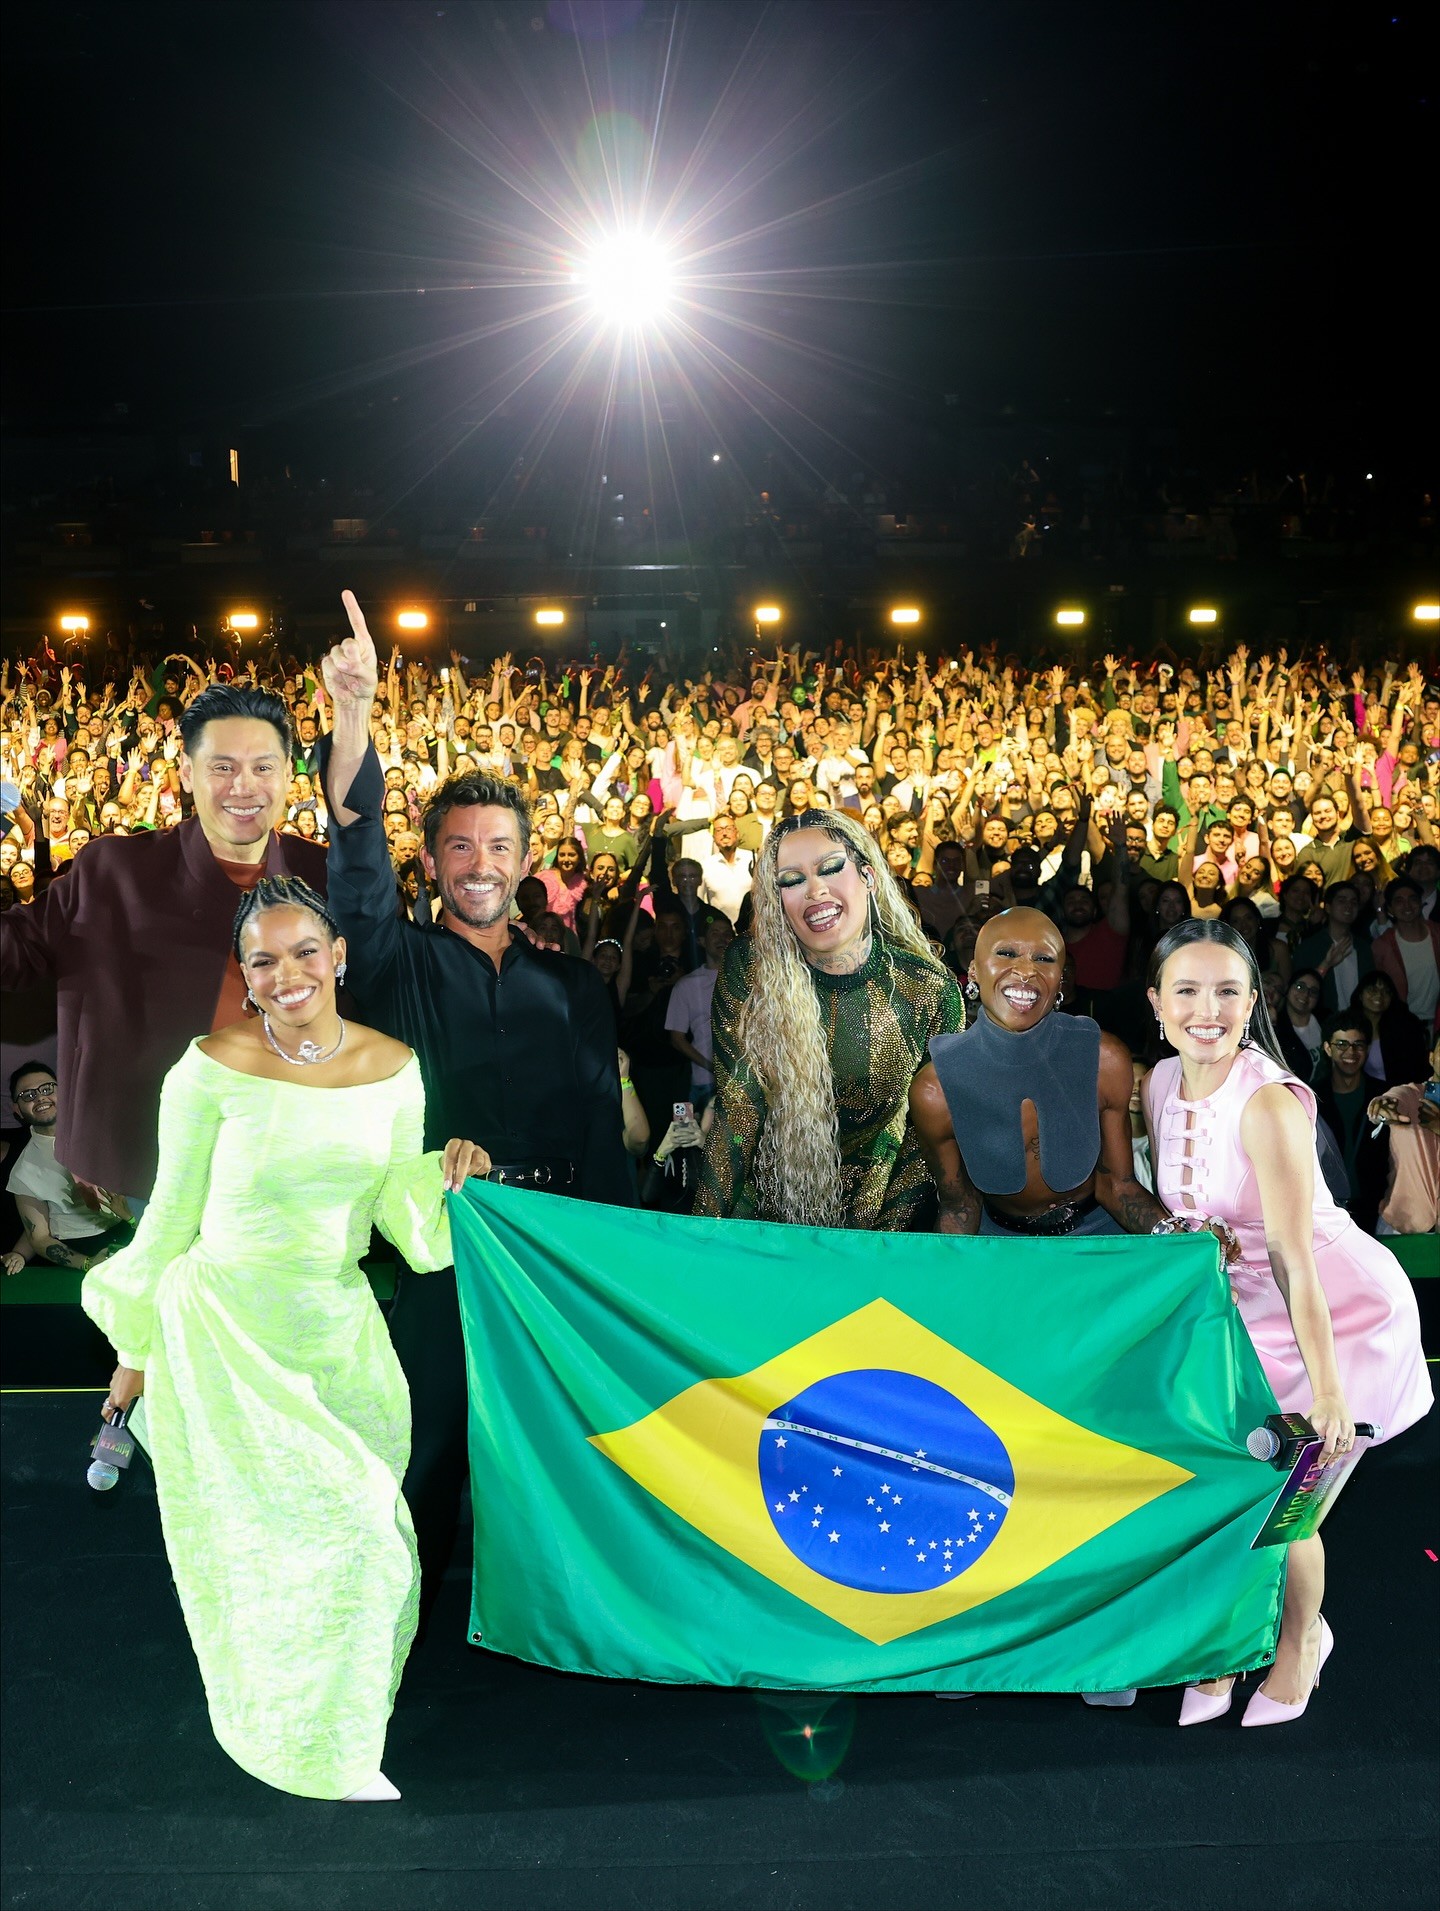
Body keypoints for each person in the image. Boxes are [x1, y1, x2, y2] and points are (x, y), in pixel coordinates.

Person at [82, 877, 492, 1800]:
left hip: (339, 1336)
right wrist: (133, 1358)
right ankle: (311, 1744)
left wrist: (445, 1169)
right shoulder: (208, 1066)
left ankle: (331, 1715)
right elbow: (171, 1220)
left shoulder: (394, 1065)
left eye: (305, 950)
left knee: (361, 1533)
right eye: (263, 960)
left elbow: (399, 1215)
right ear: (246, 976)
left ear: (339, 953)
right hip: (226, 1333)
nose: (288, 972)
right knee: (315, 1537)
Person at [320, 591, 633, 1629]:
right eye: (460, 848)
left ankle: (571, 1627)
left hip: (555, 1250)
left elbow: (602, 1134)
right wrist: (356, 719)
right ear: (433, 861)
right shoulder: (394, 960)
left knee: (557, 1444)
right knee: (433, 1447)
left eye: (500, 847)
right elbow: (355, 867)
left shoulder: (577, 986)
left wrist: (611, 1262)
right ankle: (390, 1639)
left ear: (526, 860)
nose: (481, 866)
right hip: (443, 1249)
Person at [1143, 920, 1431, 1727]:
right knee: (1232, 1495)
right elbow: (1193, 1208)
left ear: (1253, 1000)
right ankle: (1231, 1647)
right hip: (1247, 1321)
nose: (1208, 1009)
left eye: (1228, 990)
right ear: (1156, 1003)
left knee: (1289, 1507)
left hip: (1337, 1314)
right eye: (1188, 990)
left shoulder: (1268, 1101)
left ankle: (1301, 1643)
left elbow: (1294, 1258)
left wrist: (1331, 1392)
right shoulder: (1160, 1083)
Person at [0, 684, 325, 1204]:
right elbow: (15, 951)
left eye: (263, 767)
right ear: (186, 774)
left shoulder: (324, 873)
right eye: (222, 767)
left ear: (289, 774)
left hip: (288, 1159)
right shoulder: (114, 871)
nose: (245, 786)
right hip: (151, 1168)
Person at [693, 808, 964, 1230]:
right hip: (768, 1228)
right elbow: (739, 1114)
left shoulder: (926, 988)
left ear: (869, 877)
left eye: (831, 868)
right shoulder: (751, 967)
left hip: (879, 1230)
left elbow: (923, 1144)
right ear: (776, 899)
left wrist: (873, 1248)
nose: (814, 890)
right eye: (792, 880)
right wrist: (699, 1239)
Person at [911, 907, 1167, 1239]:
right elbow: (960, 1206)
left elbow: (1117, 1185)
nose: (1025, 971)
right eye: (1006, 953)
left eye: (1044, 959)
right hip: (1002, 1249)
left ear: (1061, 978)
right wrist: (943, 1283)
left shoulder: (1103, 1059)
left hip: (1097, 1240)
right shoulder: (937, 1089)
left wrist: (1178, 1237)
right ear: (974, 971)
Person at [3, 1062, 131, 1271]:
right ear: (17, 1109)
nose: (40, 1098)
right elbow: (39, 1237)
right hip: (78, 1249)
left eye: (46, 1089)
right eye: (28, 1095)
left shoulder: (107, 1130)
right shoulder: (23, 1170)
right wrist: (88, 1263)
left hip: (130, 1229)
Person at [1368, 1034, 1440, 1234]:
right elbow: (1391, 1101)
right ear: (1432, 1057)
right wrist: (1381, 1109)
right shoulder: (1410, 1094)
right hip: (1402, 1226)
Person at [664, 913, 733, 1112]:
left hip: (744, 1080)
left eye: (727, 934)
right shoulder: (687, 985)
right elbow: (677, 1038)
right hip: (704, 1083)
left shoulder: (747, 980)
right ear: (702, 941)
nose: (722, 938)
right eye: (715, 933)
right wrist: (711, 1066)